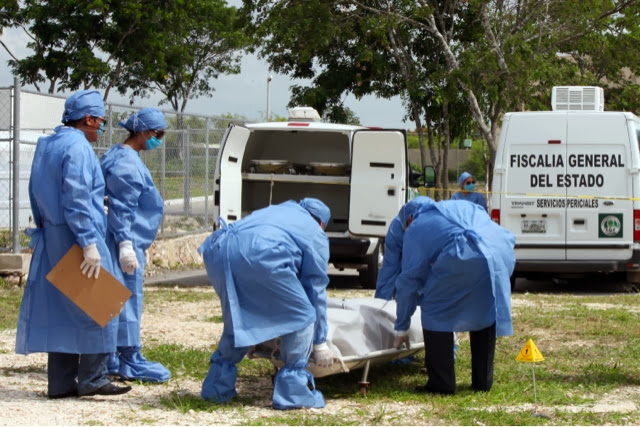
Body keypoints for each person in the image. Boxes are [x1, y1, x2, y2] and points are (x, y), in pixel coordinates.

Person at [15, 90, 131, 398]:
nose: (102, 129)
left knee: (64, 311)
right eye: (101, 123)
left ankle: (61, 383)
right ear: (89, 119)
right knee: (103, 304)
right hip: (78, 239)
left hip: (53, 236)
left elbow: (37, 192)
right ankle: (93, 378)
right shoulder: (78, 147)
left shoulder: (47, 145)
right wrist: (88, 242)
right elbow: (76, 199)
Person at [198, 198, 335, 410]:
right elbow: (315, 288)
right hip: (261, 254)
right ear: (322, 223)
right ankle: (293, 393)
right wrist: (320, 342)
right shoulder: (314, 232)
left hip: (219, 251)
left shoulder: (279, 210)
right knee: (302, 315)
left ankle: (216, 388)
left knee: (241, 313)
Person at [392, 197, 515, 395]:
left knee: (435, 310)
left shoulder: (417, 227)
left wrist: (402, 326)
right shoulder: (460, 207)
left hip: (464, 253)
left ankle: (442, 383)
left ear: (408, 220)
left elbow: (409, 281)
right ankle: (483, 381)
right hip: (499, 251)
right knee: (484, 306)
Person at [101, 108, 170, 383]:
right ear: (142, 132)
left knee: (115, 299)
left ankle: (112, 357)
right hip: (122, 242)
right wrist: (127, 244)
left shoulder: (119, 155)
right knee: (125, 300)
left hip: (122, 238)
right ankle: (129, 359)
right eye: (158, 134)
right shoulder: (127, 164)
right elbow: (123, 207)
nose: (159, 140)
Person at [374, 197, 431, 301]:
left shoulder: (433, 226)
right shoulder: (396, 229)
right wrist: (380, 303)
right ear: (409, 220)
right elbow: (390, 268)